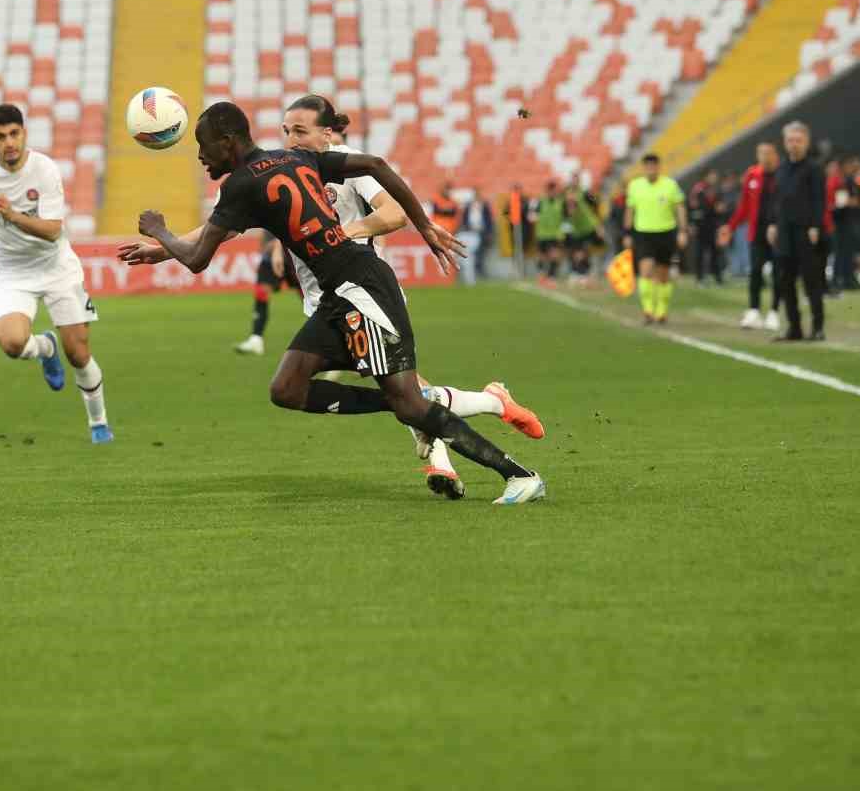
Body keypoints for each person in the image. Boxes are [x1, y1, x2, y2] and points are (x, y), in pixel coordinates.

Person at [124, 101, 546, 505]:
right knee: (287, 388)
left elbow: (198, 261)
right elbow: (377, 165)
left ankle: (519, 476)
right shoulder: (292, 160)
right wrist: (424, 226)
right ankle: (416, 405)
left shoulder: (241, 184)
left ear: (229, 141)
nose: (200, 155)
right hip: (337, 295)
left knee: (412, 404)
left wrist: (159, 230)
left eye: (204, 145)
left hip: (361, 289)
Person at [0, 103, 112, 444]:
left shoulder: (45, 170)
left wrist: (11, 215)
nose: (9, 142)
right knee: (11, 343)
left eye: (14, 134)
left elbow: (54, 230)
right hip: (13, 274)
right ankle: (45, 349)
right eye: (0, 137)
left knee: (79, 354)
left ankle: (98, 422)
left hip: (58, 270)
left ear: (24, 134)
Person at [767, 121, 826, 342]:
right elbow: (777, 200)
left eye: (798, 140)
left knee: (811, 281)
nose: (794, 145)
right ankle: (794, 327)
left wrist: (815, 226)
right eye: (790, 140)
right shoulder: (781, 168)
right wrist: (773, 224)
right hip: (784, 232)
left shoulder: (814, 169)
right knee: (785, 281)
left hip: (805, 231)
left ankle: (818, 327)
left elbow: (819, 201)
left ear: (806, 142)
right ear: (784, 143)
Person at [718, 142, 782, 331]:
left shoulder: (783, 175)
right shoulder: (752, 175)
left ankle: (774, 312)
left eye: (768, 153)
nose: (764, 157)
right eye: (760, 153)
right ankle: (753, 310)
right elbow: (744, 206)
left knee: (779, 272)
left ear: (775, 155)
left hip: (779, 232)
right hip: (757, 231)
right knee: (755, 270)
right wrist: (730, 227)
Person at [623, 153, 687, 325]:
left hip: (666, 232)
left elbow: (679, 207)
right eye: (648, 166)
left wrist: (682, 230)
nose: (651, 169)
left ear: (658, 167)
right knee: (645, 270)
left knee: (663, 274)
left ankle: (662, 310)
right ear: (644, 168)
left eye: (654, 166)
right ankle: (648, 310)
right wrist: (627, 233)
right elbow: (630, 210)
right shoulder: (635, 186)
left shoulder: (670, 185)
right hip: (643, 233)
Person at [234, 231, 290, 355]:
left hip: (292, 258)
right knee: (261, 294)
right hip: (269, 259)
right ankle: (256, 339)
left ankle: (329, 337)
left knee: (311, 299)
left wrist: (276, 245)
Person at [830, 155, 860, 291]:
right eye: (852, 165)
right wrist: (850, 202)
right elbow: (839, 203)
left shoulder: (850, 181)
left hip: (848, 221)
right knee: (840, 252)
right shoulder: (840, 181)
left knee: (848, 252)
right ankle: (838, 279)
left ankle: (848, 279)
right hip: (840, 222)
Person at [687, 170, 724, 285]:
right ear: (706, 176)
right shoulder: (698, 189)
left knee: (715, 252)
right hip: (701, 225)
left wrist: (719, 210)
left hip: (712, 225)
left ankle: (717, 277)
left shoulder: (715, 190)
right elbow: (692, 207)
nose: (715, 178)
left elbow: (719, 206)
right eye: (712, 175)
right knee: (700, 252)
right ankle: (699, 278)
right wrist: (692, 224)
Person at [457, 191, 494, 285]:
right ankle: (470, 274)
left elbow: (489, 219)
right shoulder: (468, 207)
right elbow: (464, 218)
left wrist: (489, 232)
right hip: (470, 232)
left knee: (480, 254)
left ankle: (479, 271)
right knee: (470, 254)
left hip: (482, 232)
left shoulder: (484, 206)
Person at [533, 180, 566, 284]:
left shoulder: (560, 202)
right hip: (542, 234)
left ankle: (552, 277)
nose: (555, 192)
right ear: (549, 191)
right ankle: (541, 275)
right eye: (553, 190)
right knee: (541, 257)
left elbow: (566, 215)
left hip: (555, 234)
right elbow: (533, 214)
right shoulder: (540, 201)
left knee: (555, 256)